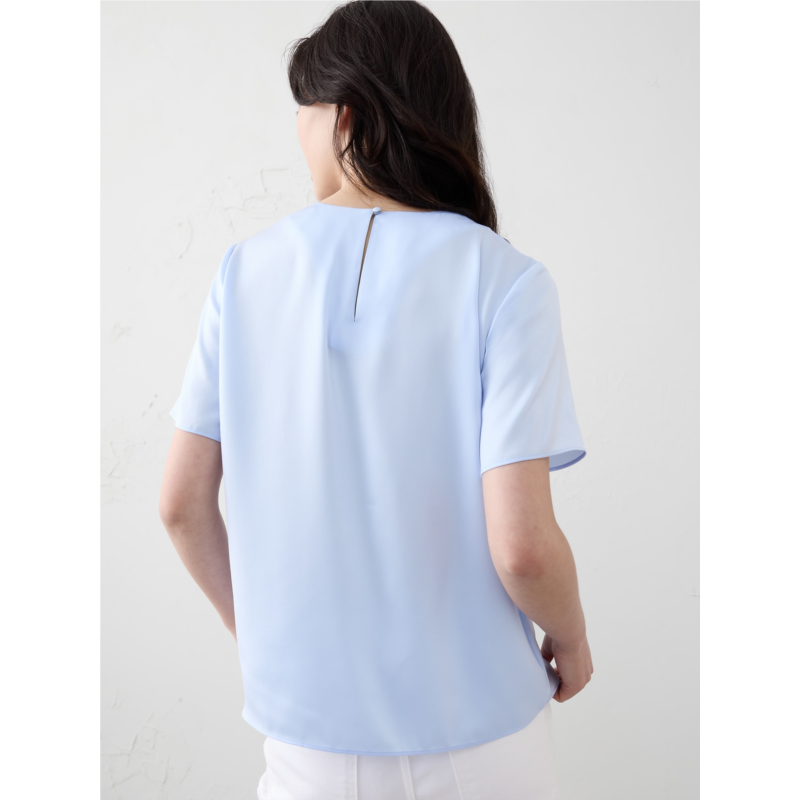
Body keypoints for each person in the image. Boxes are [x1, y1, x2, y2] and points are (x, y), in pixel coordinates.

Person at [159, 1, 592, 797]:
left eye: (304, 109)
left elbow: (181, 506)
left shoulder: (242, 274)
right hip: (483, 740)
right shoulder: (507, 280)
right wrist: (572, 637)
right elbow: (524, 547)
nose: (296, 132)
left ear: (346, 119)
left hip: (307, 746)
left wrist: (262, 643)